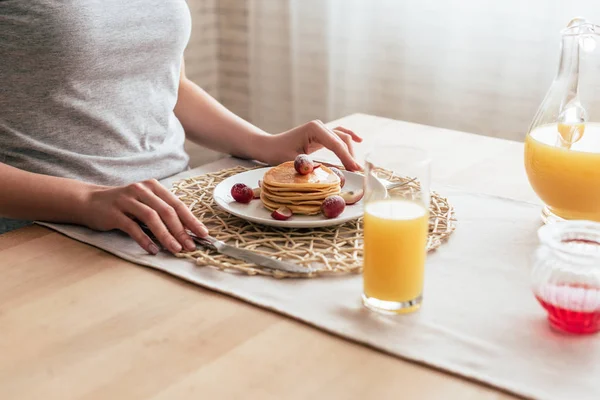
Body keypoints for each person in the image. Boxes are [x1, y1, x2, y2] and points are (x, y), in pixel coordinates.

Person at [0, 1, 361, 255]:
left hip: (178, 209)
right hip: (45, 232)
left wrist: (264, 144)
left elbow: (169, 83)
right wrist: (86, 200)